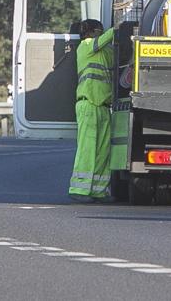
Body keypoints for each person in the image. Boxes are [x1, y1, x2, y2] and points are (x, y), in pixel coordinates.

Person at [69, 18, 114, 203]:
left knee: (103, 151)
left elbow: (115, 57)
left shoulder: (105, 52)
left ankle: (98, 190)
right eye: (99, 31)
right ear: (91, 32)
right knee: (87, 150)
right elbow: (102, 41)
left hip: (103, 106)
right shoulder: (85, 46)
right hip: (87, 104)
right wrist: (117, 28)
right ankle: (78, 189)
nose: (100, 34)